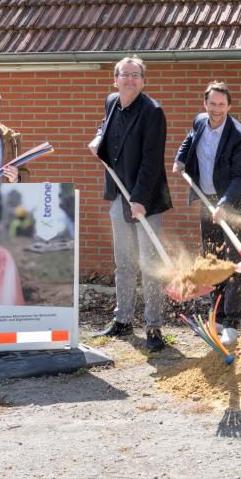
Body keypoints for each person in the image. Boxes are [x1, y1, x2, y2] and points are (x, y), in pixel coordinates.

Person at [87, 56, 172, 352]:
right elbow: (105, 126)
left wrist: (139, 199)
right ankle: (122, 320)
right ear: (116, 79)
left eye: (136, 75)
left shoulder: (153, 111)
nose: (130, 80)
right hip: (118, 196)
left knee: (149, 265)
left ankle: (154, 325)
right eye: (125, 75)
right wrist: (99, 137)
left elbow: (152, 160)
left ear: (143, 81)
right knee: (123, 264)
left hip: (144, 200)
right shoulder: (111, 102)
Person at [174, 81, 241, 344]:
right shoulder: (199, 122)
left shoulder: (239, 135)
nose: (216, 109)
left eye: (221, 104)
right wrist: (180, 158)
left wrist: (224, 204)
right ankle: (216, 318)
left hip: (233, 204)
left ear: (229, 106)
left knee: (233, 263)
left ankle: (233, 322)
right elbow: (189, 139)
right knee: (212, 259)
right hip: (207, 202)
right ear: (205, 104)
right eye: (212, 103)